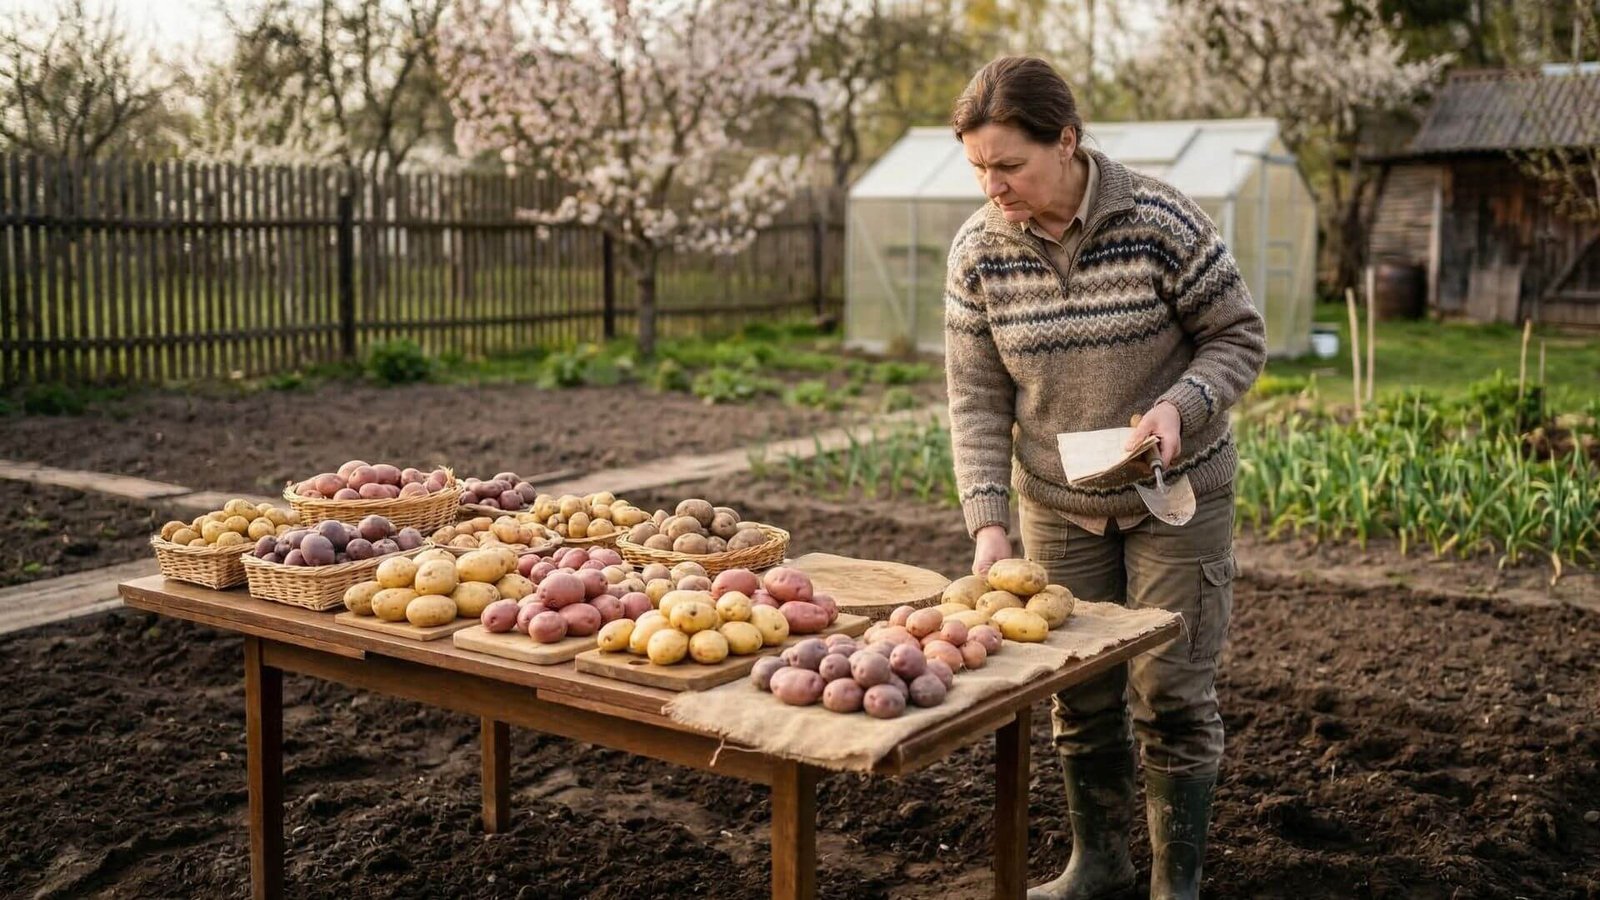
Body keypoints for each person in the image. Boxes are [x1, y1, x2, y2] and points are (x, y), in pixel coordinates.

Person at [943, 57, 1266, 900]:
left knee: (1171, 695)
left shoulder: (1157, 218)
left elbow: (1237, 335)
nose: (993, 184)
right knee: (1078, 697)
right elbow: (976, 399)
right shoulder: (979, 251)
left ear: (1068, 141)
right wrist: (988, 523)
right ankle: (1099, 865)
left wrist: (1181, 408)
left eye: (1009, 163)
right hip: (1057, 506)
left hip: (1175, 492)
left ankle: (1176, 883)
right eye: (978, 166)